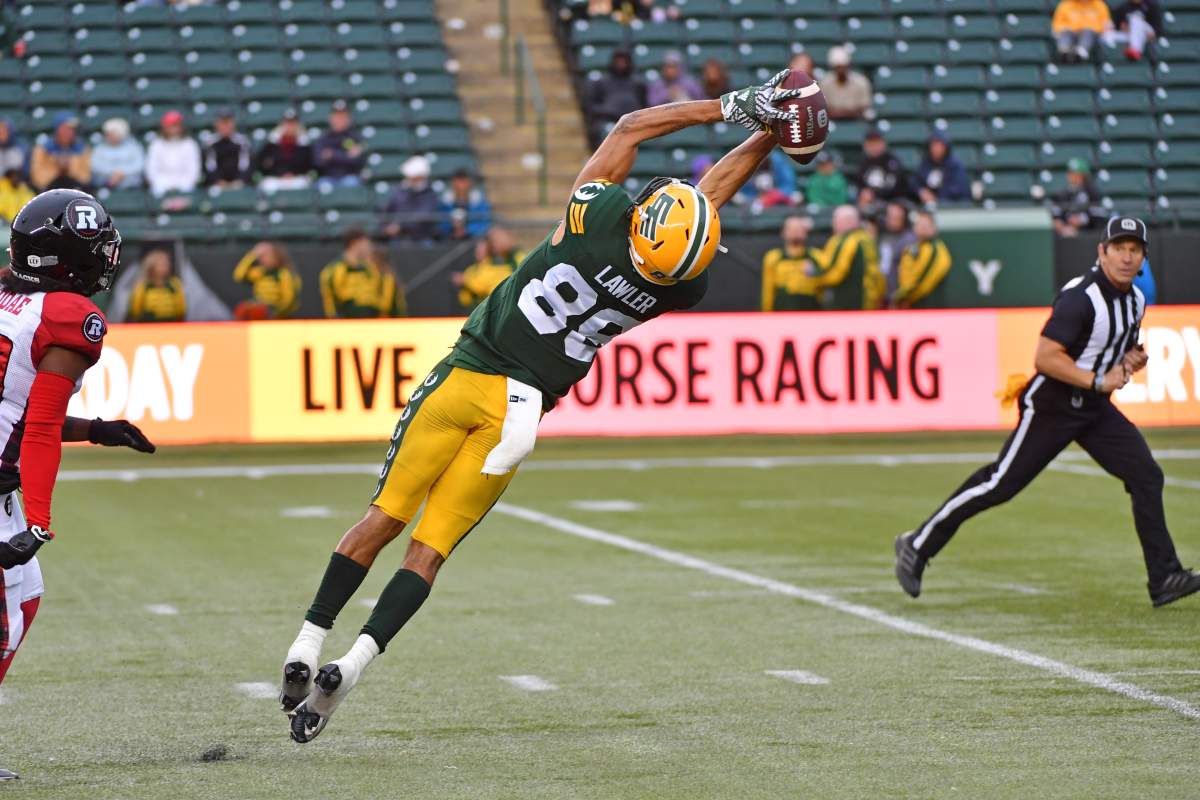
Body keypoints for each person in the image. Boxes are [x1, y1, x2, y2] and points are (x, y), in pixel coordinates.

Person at [279, 70, 810, 744]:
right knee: (428, 553)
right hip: (520, 414)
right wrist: (769, 136)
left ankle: (306, 644)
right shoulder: (678, 287)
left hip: (467, 378)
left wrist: (731, 108)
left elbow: (632, 129)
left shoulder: (597, 221)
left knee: (382, 518)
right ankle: (352, 668)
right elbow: (704, 207)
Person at [895, 217, 1200, 607]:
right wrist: (1096, 380)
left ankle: (1164, 577)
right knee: (1000, 484)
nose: (1126, 257)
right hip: (1053, 405)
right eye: (1119, 248)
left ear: (1143, 257)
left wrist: (1128, 361)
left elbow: (1108, 349)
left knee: (1146, 476)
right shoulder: (1080, 297)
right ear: (1102, 252)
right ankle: (917, 544)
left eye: (1134, 250)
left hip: (1093, 408)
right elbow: (1045, 357)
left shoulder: (1135, 300)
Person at [0, 190, 156, 782]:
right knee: (4, 619)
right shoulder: (67, 317)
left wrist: (93, 429)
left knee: (25, 596)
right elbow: (38, 423)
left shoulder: (9, 295)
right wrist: (40, 521)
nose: (106, 257)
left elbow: (16, 409)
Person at [816, 204, 884, 310]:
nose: (833, 224)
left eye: (836, 220)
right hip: (869, 298)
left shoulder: (849, 241)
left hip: (851, 301)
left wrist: (815, 278)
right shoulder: (866, 238)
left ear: (849, 221)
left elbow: (837, 273)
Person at [319, 228, 392, 318]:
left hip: (372, 322)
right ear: (355, 243)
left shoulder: (369, 267)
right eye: (366, 243)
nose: (369, 247)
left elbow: (379, 296)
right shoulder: (336, 269)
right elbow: (330, 301)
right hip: (347, 323)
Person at [453, 226, 525, 310]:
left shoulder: (518, 257)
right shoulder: (484, 265)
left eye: (501, 239)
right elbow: (467, 298)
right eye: (495, 241)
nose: (500, 243)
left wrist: (466, 280)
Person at [761, 215, 824, 311]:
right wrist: (766, 314)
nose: (795, 231)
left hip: (810, 313)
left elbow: (828, 282)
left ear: (805, 232)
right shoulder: (773, 257)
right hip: (782, 313)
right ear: (783, 232)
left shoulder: (816, 256)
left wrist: (816, 273)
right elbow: (767, 291)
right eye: (791, 228)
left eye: (799, 228)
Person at [892, 211, 952, 309]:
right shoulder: (913, 247)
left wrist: (901, 297)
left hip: (927, 305)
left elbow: (921, 278)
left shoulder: (934, 248)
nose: (923, 228)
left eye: (926, 225)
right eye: (920, 224)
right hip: (912, 304)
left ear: (933, 228)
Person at [586, 49, 646, 143]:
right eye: (618, 61)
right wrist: (609, 111)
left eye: (624, 61)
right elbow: (592, 106)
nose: (621, 64)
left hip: (634, 121)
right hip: (608, 120)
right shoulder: (601, 83)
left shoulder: (638, 84)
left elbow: (645, 106)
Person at [233, 241, 302, 319]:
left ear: (276, 256)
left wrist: (277, 312)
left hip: (278, 314)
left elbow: (289, 299)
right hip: (262, 309)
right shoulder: (260, 272)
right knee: (243, 309)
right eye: (261, 256)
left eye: (266, 255)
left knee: (258, 310)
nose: (263, 259)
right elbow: (239, 275)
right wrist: (253, 254)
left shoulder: (284, 274)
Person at [380, 156, 440, 242]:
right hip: (399, 238)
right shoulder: (400, 191)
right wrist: (386, 227)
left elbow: (423, 217)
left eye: (414, 177)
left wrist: (400, 226)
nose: (410, 179)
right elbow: (388, 210)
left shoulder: (430, 195)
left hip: (422, 238)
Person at [145, 111, 202, 197]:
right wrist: (164, 184)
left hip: (185, 184)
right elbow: (151, 170)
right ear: (164, 127)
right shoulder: (156, 145)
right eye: (171, 125)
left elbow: (194, 171)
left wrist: (182, 184)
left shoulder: (190, 144)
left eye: (176, 125)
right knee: (156, 192)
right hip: (161, 185)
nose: (174, 128)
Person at [855, 129, 914, 212]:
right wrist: (863, 195)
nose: (873, 146)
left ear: (883, 143)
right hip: (871, 203)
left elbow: (892, 185)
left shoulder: (892, 161)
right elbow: (860, 185)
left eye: (876, 142)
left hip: (893, 202)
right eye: (871, 143)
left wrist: (873, 194)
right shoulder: (864, 163)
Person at [30, 113, 90, 192]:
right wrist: (57, 168)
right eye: (66, 128)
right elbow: (37, 180)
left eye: (72, 129)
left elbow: (85, 178)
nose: (70, 132)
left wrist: (69, 168)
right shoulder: (42, 149)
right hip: (48, 192)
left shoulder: (82, 149)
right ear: (58, 129)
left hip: (75, 191)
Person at [256, 110, 314, 193]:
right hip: (276, 179)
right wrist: (280, 173)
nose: (290, 126)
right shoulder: (272, 143)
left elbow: (309, 166)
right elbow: (261, 164)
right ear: (282, 124)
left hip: (296, 179)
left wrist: (292, 174)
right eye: (287, 123)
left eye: (293, 123)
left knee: (303, 184)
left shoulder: (304, 144)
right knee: (267, 185)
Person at [313, 100, 367, 188]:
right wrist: (346, 156)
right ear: (330, 118)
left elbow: (358, 161)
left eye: (343, 116)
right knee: (322, 185)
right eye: (337, 116)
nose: (340, 119)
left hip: (350, 177)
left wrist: (332, 155)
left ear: (349, 119)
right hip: (328, 177)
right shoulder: (323, 138)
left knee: (351, 183)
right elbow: (318, 162)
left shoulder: (355, 137)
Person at [127, 248, 186, 323]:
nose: (166, 267)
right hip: (148, 324)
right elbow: (136, 309)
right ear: (152, 266)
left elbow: (181, 308)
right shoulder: (143, 286)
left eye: (167, 264)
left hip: (171, 324)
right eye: (161, 264)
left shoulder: (175, 284)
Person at [1051, 157, 1106, 237]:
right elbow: (1056, 214)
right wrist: (1061, 226)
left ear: (1084, 176)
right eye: (1070, 173)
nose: (1072, 176)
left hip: (1088, 234)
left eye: (1076, 174)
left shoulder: (1093, 193)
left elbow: (1099, 216)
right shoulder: (1063, 194)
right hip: (1065, 234)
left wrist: (1082, 220)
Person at [201, 109, 253, 188]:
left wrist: (239, 181)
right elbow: (209, 166)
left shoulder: (242, 142)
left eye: (228, 122)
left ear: (233, 124)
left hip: (240, 183)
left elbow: (246, 165)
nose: (225, 126)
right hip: (216, 184)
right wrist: (218, 181)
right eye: (222, 123)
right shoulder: (209, 143)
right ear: (216, 124)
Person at [817, 46, 872, 120]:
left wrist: (845, 113)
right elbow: (823, 108)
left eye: (843, 67)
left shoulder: (861, 82)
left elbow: (864, 106)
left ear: (848, 66)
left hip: (856, 120)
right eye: (838, 67)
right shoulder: (824, 83)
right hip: (832, 120)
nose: (841, 70)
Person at [90, 118, 145, 191]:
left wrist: (122, 173)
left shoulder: (134, 146)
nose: (108, 136)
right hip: (106, 183)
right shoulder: (99, 148)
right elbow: (95, 166)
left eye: (112, 133)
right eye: (107, 134)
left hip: (130, 185)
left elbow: (139, 165)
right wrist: (113, 174)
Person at [915, 133, 969, 206]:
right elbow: (916, 182)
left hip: (952, 205)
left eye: (940, 145)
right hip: (929, 206)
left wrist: (936, 197)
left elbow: (959, 189)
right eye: (934, 145)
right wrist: (921, 191)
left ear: (946, 147)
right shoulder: (925, 164)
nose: (936, 149)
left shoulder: (955, 165)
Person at [876, 200, 915, 294]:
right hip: (880, 292)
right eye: (890, 217)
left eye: (897, 218)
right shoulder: (882, 236)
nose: (892, 221)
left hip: (898, 294)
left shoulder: (909, 240)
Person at [440, 169, 492, 240]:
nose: (460, 185)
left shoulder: (480, 202)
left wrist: (467, 230)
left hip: (474, 240)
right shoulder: (444, 203)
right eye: (457, 181)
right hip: (447, 239)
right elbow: (440, 224)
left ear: (470, 183)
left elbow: (484, 224)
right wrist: (452, 228)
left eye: (463, 181)